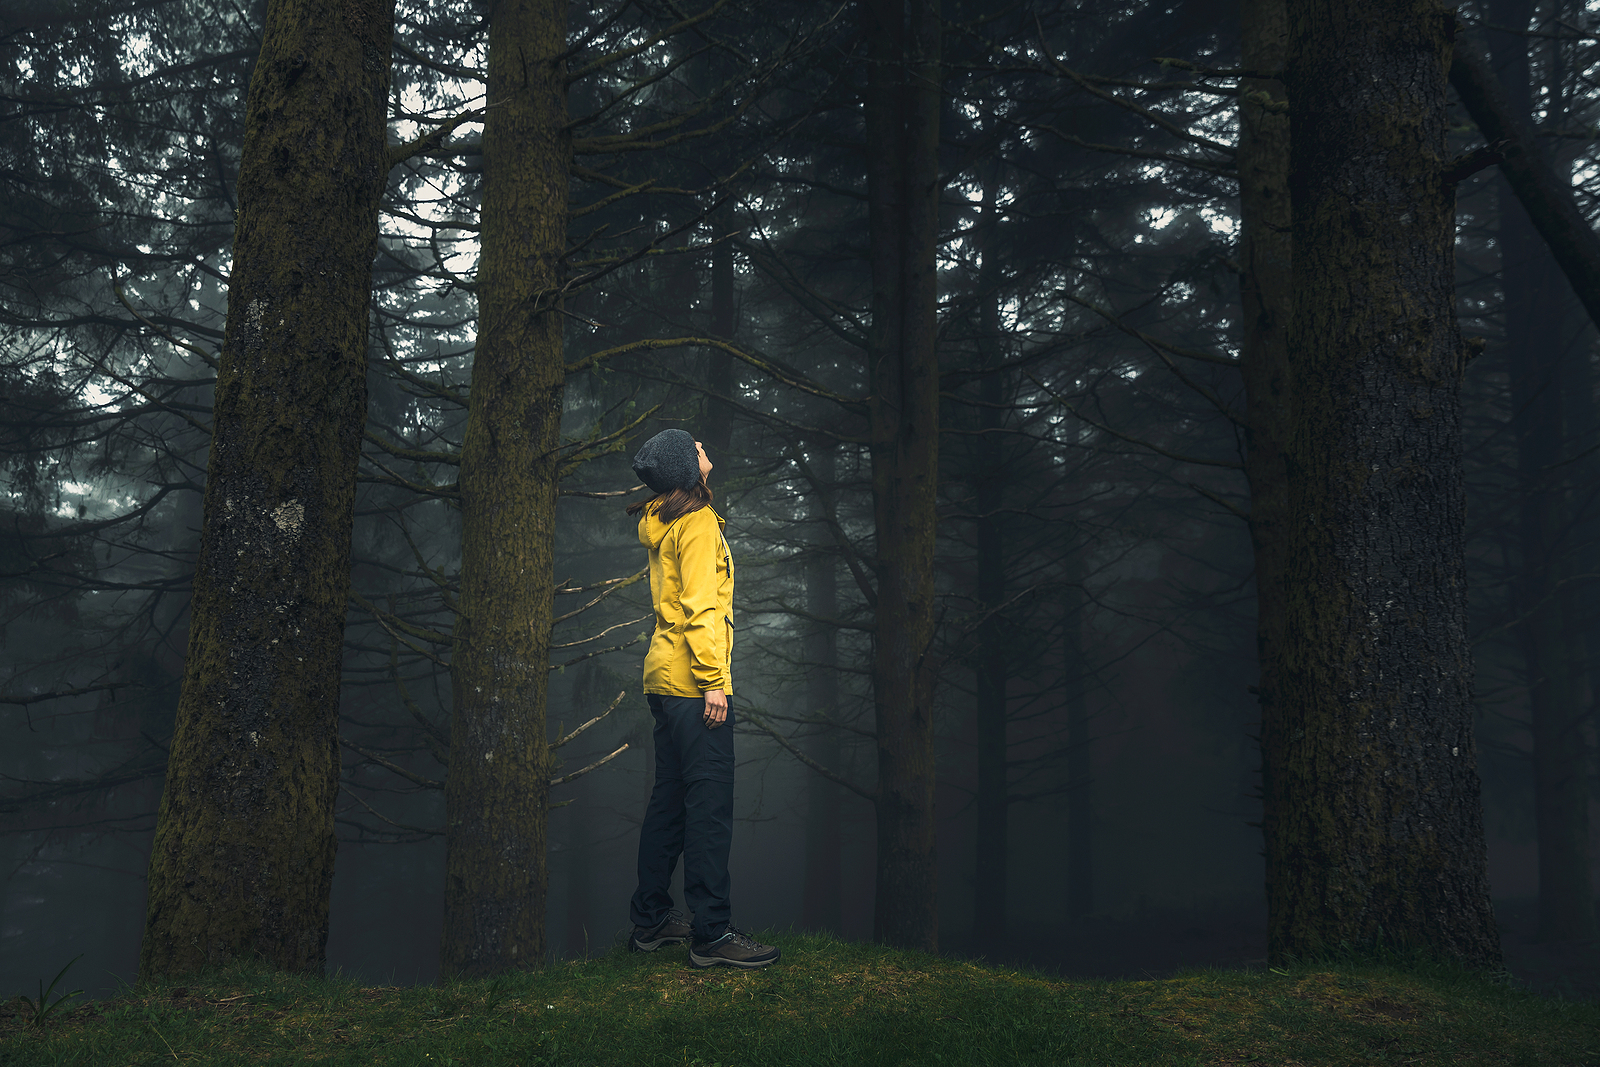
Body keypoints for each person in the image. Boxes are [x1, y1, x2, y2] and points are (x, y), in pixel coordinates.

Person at [624, 428, 780, 969]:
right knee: (708, 807)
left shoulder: (663, 519)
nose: (702, 448)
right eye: (693, 448)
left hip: (664, 680)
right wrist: (714, 680)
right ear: (687, 471)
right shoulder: (695, 525)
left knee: (669, 801)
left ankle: (650, 920)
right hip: (694, 684)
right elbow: (699, 607)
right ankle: (712, 935)